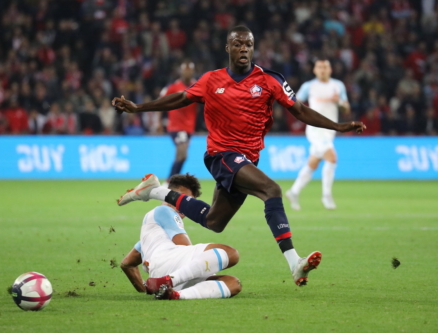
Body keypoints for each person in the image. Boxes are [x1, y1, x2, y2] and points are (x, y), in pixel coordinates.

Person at [113, 26, 366, 286]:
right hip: (221, 153)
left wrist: (338, 126)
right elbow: (181, 98)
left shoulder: (270, 80)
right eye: (237, 44)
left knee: (215, 221)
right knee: (272, 190)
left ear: (253, 48)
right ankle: (294, 263)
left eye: (248, 44)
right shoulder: (211, 80)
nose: (243, 48)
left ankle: (154, 191)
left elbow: (300, 110)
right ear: (228, 48)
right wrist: (139, 108)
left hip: (247, 159)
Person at [120, 174, 242, 300]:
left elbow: (127, 264)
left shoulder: (153, 235)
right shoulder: (163, 211)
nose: (182, 205)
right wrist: (206, 267)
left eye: (187, 202)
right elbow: (184, 246)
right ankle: (168, 281)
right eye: (180, 198)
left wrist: (146, 289)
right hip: (172, 270)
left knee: (232, 283)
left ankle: (176, 295)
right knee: (231, 254)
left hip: (167, 271)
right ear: (167, 194)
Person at [285, 59, 351, 211]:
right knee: (332, 158)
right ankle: (326, 195)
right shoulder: (309, 86)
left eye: (325, 67)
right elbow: (293, 103)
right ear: (314, 70)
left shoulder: (338, 86)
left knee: (313, 162)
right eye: (319, 67)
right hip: (315, 129)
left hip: (329, 130)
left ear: (330, 70)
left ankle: (294, 192)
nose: (322, 70)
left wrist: (340, 102)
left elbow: (346, 109)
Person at [160, 61, 198, 183]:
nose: (187, 72)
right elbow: (161, 101)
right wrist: (159, 122)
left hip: (189, 127)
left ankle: (172, 180)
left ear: (192, 72)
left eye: (189, 70)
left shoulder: (197, 86)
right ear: (181, 72)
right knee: (182, 153)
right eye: (185, 70)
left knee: (182, 156)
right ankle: (169, 181)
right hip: (176, 126)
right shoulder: (174, 87)